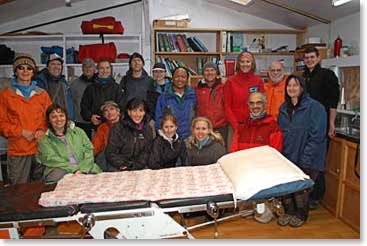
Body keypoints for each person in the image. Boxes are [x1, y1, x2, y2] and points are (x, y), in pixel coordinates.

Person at [277, 74, 327, 227]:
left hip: (309, 157)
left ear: (302, 87)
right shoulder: (283, 108)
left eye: (295, 85)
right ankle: (289, 212)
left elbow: (317, 137)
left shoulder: (315, 107)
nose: (291, 88)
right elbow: (280, 133)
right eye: (289, 85)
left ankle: (301, 214)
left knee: (302, 190)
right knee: (286, 188)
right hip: (288, 155)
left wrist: (305, 159)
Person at [0, 54, 52, 184]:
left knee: (41, 188)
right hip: (19, 149)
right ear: (15, 71)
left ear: (33, 71)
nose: (25, 71)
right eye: (21, 68)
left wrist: (42, 130)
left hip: (41, 148)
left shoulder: (42, 94)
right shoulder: (6, 95)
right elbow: (1, 123)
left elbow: (50, 117)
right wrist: (20, 132)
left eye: (29, 68)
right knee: (19, 190)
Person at [303, 47, 340, 209]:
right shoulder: (304, 77)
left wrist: (331, 124)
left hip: (321, 125)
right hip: (305, 126)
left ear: (319, 58)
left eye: (312, 57)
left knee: (317, 161)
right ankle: (307, 193)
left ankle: (317, 196)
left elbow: (333, 101)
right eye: (306, 58)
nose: (309, 60)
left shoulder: (327, 75)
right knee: (305, 160)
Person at [37, 104, 102, 182]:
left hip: (84, 167)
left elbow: (89, 150)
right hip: (61, 169)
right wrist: (75, 170)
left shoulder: (78, 131)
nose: (58, 119)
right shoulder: (44, 140)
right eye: (54, 117)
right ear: (48, 120)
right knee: (56, 177)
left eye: (61, 115)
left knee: (98, 178)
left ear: (66, 117)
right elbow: (51, 159)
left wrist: (83, 170)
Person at [105, 98, 153, 171]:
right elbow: (111, 152)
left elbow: (147, 151)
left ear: (144, 112)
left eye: (141, 111)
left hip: (139, 165)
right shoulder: (117, 128)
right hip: (118, 165)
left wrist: (138, 165)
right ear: (129, 112)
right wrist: (124, 164)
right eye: (134, 111)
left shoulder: (148, 129)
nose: (138, 114)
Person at [224, 51, 265, 133]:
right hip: (235, 126)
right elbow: (227, 106)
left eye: (248, 61)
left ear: (252, 64)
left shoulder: (258, 81)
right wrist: (236, 126)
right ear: (238, 63)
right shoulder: (230, 82)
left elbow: (262, 105)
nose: (245, 64)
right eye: (242, 61)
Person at [155, 67, 197, 141]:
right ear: (172, 78)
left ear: (187, 79)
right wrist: (164, 137)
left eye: (183, 77)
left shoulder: (194, 95)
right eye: (177, 76)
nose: (180, 79)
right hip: (170, 139)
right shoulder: (163, 97)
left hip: (191, 139)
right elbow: (159, 120)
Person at [80, 58, 123, 127]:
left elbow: (122, 107)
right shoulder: (90, 88)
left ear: (111, 69)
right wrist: (90, 117)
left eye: (107, 68)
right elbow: (84, 108)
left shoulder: (117, 88)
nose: (105, 71)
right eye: (101, 68)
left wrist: (117, 116)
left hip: (114, 127)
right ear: (97, 70)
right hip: (96, 126)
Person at [196, 62, 229, 148]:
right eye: (206, 70)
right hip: (204, 128)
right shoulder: (197, 89)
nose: (209, 73)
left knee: (220, 151)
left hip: (221, 127)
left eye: (212, 70)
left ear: (216, 72)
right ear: (203, 73)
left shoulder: (224, 87)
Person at [36, 53, 75, 120]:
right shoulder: (39, 83)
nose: (56, 67)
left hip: (62, 121)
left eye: (58, 64)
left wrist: (70, 119)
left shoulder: (64, 83)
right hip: (47, 121)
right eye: (53, 64)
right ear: (47, 67)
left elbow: (69, 105)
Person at [70, 58, 97, 139]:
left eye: (90, 66)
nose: (88, 69)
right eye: (85, 67)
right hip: (80, 122)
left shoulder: (100, 82)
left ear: (94, 68)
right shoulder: (75, 84)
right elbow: (71, 101)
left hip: (97, 121)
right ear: (82, 68)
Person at [91, 100, 121, 171]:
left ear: (118, 112)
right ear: (104, 115)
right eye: (106, 111)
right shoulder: (102, 128)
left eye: (112, 109)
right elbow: (95, 147)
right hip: (108, 157)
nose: (109, 112)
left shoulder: (127, 124)